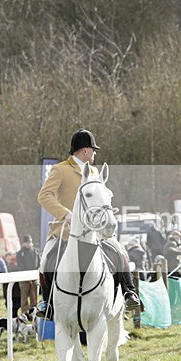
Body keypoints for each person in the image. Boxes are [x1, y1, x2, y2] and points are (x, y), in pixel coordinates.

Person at [37, 128, 141, 312]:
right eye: (93, 150)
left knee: (119, 250)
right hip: (65, 230)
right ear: (85, 150)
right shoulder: (60, 170)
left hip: (95, 230)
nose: (95, 154)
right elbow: (44, 196)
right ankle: (47, 304)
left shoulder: (94, 171)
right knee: (46, 259)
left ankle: (129, 292)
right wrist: (66, 214)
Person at [15, 234, 41, 316]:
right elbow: (20, 266)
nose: (29, 244)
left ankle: (34, 313)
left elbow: (39, 264)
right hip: (24, 279)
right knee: (24, 297)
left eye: (30, 242)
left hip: (34, 278)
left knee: (35, 297)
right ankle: (25, 314)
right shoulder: (20, 253)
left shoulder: (36, 252)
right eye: (27, 242)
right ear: (24, 243)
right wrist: (27, 276)